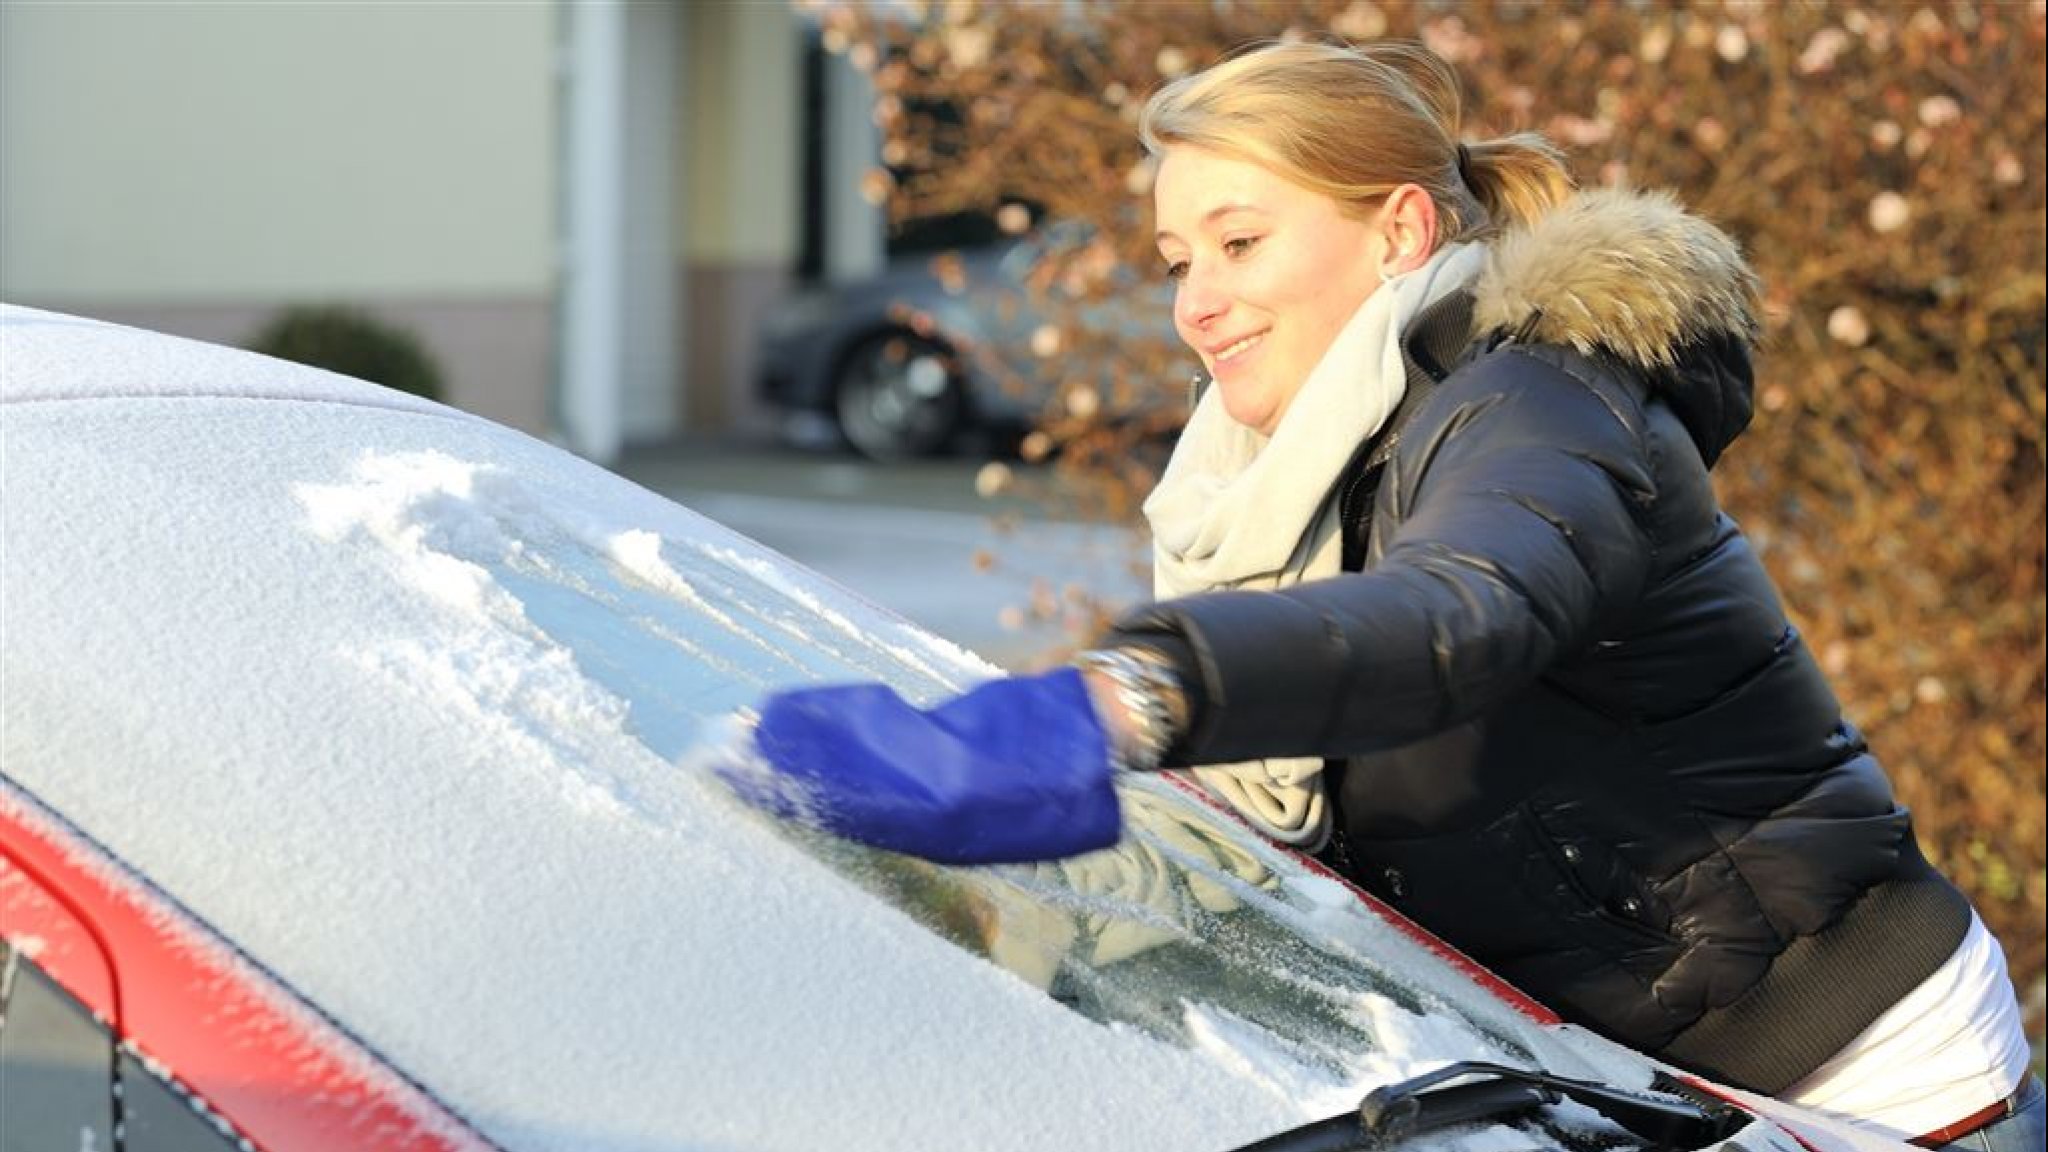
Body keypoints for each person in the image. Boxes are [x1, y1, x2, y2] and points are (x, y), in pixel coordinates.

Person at [746, 38, 2043, 1148]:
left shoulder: (1533, 402)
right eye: (1174, 258)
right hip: (1630, 1076)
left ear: (1400, 231)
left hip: (1862, 1083)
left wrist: (1130, 698)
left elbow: (1461, 614)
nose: (1197, 303)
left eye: (1240, 242)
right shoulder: (1285, 486)